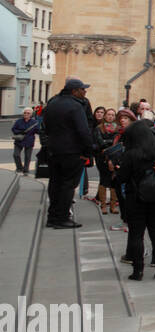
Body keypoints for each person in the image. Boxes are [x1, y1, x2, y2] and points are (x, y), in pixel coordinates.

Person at [119, 120, 155, 280]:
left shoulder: (131, 154)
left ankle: (138, 271)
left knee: (136, 235)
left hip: (136, 198)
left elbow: (122, 178)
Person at [41, 77, 96, 229]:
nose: (85, 92)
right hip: (72, 151)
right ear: (74, 91)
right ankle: (62, 218)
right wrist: (88, 150)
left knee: (55, 182)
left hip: (53, 149)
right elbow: (83, 130)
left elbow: (45, 126)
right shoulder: (76, 106)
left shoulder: (52, 103)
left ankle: (52, 217)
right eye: (82, 89)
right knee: (68, 185)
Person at [93, 113, 120, 214]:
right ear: (105, 116)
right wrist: (109, 143)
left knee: (114, 179)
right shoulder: (99, 128)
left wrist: (108, 142)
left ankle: (113, 205)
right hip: (102, 157)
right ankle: (103, 204)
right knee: (103, 179)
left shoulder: (118, 128)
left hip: (115, 157)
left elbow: (118, 142)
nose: (110, 117)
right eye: (108, 114)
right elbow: (100, 142)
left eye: (113, 115)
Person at [12, 107, 39, 175]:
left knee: (27, 156)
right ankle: (19, 168)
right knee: (16, 155)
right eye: (25, 113)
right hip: (19, 140)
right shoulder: (19, 121)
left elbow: (38, 131)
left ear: (31, 114)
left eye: (28, 113)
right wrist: (20, 131)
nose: (26, 114)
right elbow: (13, 129)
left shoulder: (34, 122)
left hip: (29, 141)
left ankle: (26, 170)